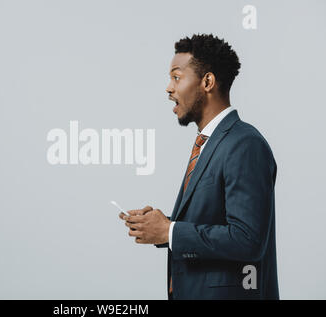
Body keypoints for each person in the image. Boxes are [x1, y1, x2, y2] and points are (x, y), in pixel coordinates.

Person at [119, 34, 279, 300]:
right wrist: (163, 227)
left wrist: (170, 231)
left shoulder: (245, 144)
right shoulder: (209, 143)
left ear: (207, 82)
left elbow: (247, 240)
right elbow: (213, 222)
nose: (169, 88)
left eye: (176, 77)